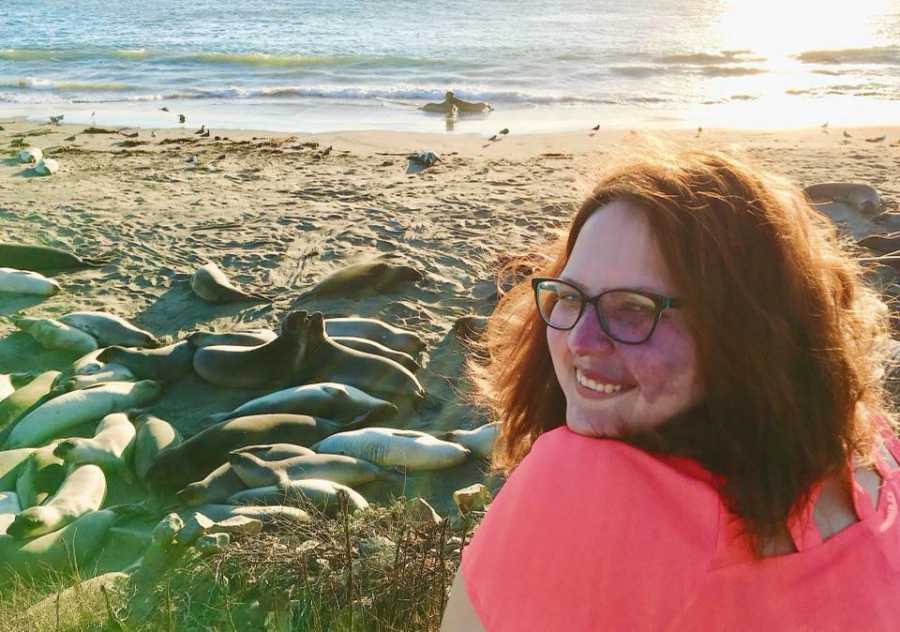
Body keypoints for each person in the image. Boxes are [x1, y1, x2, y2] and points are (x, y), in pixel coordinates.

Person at [440, 147, 900, 631]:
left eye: (634, 309)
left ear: (743, 334)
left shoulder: (584, 489)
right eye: (570, 296)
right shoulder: (874, 454)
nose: (580, 341)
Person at [421, 90, 493, 115]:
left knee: (479, 105)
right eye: (447, 95)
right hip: (465, 108)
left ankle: (488, 107)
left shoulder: (452, 99)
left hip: (467, 106)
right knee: (478, 106)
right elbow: (448, 106)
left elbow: (445, 106)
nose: (446, 96)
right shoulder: (451, 100)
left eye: (447, 95)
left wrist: (428, 106)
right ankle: (488, 107)